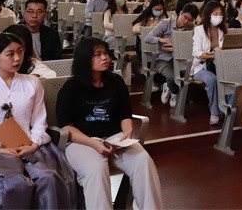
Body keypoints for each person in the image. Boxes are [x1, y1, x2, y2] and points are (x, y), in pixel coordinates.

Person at [0, 32, 76, 208]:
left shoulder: (32, 83)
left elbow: (39, 122)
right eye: (10, 54)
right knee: (15, 183)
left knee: (48, 177)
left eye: (20, 52)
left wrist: (34, 144)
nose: (17, 58)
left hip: (29, 146)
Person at [58, 37, 163, 208]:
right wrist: (94, 143)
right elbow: (66, 127)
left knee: (143, 161)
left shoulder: (115, 81)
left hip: (114, 138)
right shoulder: (71, 87)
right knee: (96, 169)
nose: (104, 58)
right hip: (81, 142)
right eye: (97, 54)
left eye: (106, 53)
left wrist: (127, 132)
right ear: (85, 58)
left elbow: (124, 114)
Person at [145, 4, 197, 108]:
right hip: (164, 58)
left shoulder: (191, 27)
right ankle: (173, 92)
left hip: (181, 59)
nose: (186, 21)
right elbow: (148, 38)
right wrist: (162, 40)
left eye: (190, 20)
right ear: (180, 13)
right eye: (185, 17)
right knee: (172, 77)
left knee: (191, 76)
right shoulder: (166, 23)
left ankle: (173, 89)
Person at [193, 0, 227, 126]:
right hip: (201, 66)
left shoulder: (223, 30)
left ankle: (227, 108)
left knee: (230, 78)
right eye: (215, 14)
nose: (218, 16)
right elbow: (196, 52)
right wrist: (212, 54)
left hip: (219, 65)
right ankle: (214, 112)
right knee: (212, 80)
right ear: (208, 15)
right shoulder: (199, 30)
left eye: (220, 14)